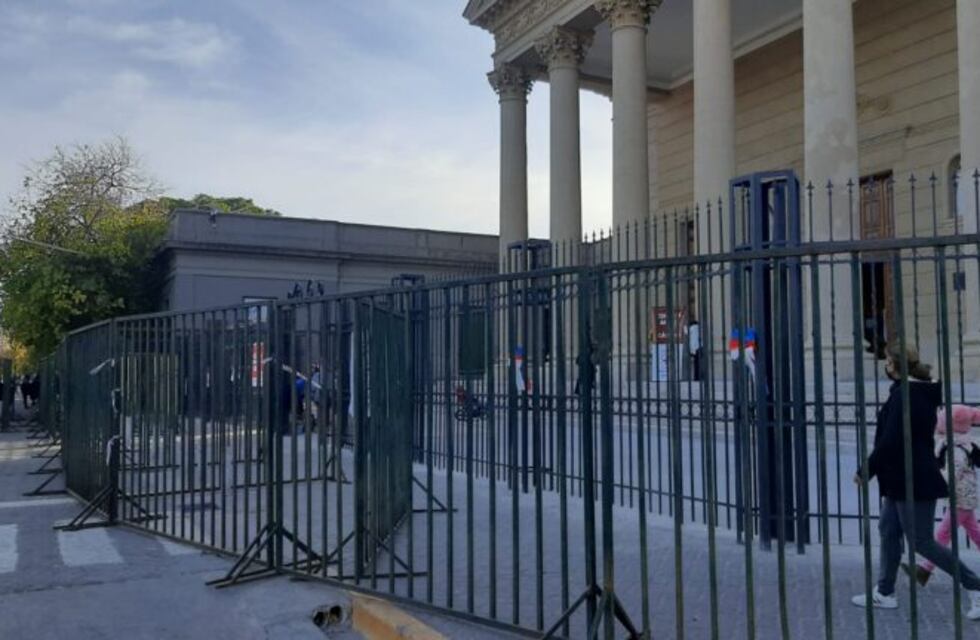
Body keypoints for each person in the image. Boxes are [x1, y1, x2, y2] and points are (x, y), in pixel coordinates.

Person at [851, 344, 980, 618]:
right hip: (900, 478)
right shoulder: (913, 391)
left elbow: (891, 439)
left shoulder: (906, 395)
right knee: (888, 529)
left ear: (896, 366)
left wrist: (866, 469)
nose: (885, 367)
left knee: (922, 541)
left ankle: (975, 586)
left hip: (914, 478)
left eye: (888, 362)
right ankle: (884, 592)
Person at [909, 405, 980, 586]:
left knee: (942, 533)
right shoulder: (956, 444)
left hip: (961, 498)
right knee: (975, 533)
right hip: (963, 497)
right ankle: (924, 570)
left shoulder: (955, 448)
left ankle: (924, 570)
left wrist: (933, 480)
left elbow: (951, 474)